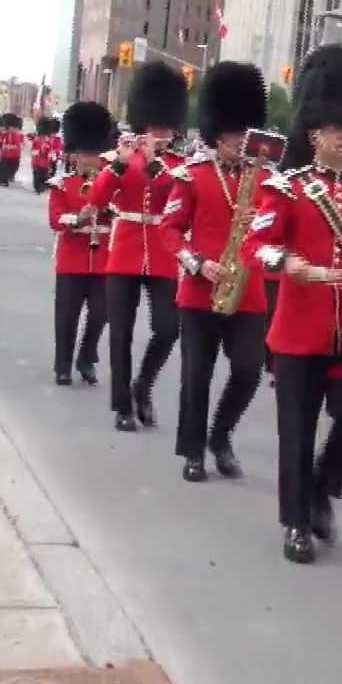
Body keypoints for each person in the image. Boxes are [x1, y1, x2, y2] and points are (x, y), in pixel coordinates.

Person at [242, 44, 342, 564]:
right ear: (313, 133)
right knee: (296, 433)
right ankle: (297, 523)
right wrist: (292, 266)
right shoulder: (287, 189)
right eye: (334, 127)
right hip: (299, 333)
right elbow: (255, 246)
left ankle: (323, 487)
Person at [159, 62, 270, 484]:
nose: (243, 142)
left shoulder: (266, 182)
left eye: (247, 135)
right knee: (196, 375)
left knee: (247, 370)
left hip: (249, 291)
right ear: (217, 134)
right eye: (235, 135)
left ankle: (220, 436)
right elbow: (169, 230)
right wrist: (196, 262)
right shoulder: (192, 176)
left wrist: (258, 217)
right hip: (201, 289)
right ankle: (193, 452)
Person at [86, 61, 188, 432]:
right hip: (125, 250)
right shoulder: (120, 159)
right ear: (144, 124)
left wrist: (155, 161)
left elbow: (177, 196)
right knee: (121, 332)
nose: (162, 132)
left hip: (162, 254)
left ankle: (143, 384)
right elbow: (97, 199)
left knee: (167, 328)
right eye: (156, 126)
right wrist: (119, 165)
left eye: (167, 126)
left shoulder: (178, 164)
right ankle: (122, 407)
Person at [49, 102, 114, 386]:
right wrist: (78, 218)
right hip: (72, 258)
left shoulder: (111, 183)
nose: (89, 160)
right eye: (84, 154)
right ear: (73, 155)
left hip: (103, 260)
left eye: (94, 155)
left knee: (101, 313)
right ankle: (62, 365)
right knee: (67, 317)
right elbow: (55, 219)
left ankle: (87, 357)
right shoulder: (62, 184)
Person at [0, 113, 24, 186]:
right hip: (4, 154)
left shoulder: (18, 135)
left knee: (13, 167)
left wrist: (14, 147)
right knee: (1, 167)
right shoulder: (4, 134)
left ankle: (6, 177)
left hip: (15, 155)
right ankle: (2, 179)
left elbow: (19, 144)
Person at [31, 117, 56, 194]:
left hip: (45, 162)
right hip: (38, 161)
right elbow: (34, 151)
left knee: (44, 175)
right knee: (37, 175)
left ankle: (41, 186)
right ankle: (38, 188)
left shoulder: (48, 141)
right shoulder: (37, 140)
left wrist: (53, 159)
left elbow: (51, 151)